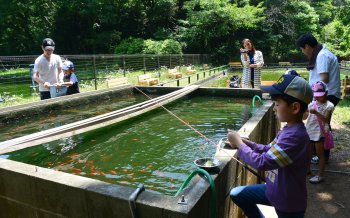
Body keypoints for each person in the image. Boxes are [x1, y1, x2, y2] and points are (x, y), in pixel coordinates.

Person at [227, 73, 313, 217]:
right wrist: (247, 143)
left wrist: (240, 145)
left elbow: (262, 162)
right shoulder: (287, 130)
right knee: (237, 194)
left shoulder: (295, 137)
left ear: (295, 108)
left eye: (277, 104)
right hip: (274, 190)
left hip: (288, 203)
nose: (274, 108)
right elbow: (268, 149)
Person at [297, 33, 341, 163]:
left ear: (307, 46)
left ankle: (322, 155)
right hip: (326, 95)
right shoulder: (322, 53)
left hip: (327, 95)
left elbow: (324, 79)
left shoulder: (321, 56)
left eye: (302, 49)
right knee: (321, 124)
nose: (302, 52)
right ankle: (319, 154)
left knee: (321, 125)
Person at [305, 81, 334, 184]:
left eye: (319, 96)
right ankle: (307, 170)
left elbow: (326, 120)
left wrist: (316, 112)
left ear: (326, 94)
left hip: (320, 132)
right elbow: (306, 116)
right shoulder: (312, 104)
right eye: (315, 96)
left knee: (320, 154)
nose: (317, 98)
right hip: (310, 130)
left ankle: (320, 175)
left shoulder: (328, 106)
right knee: (308, 152)